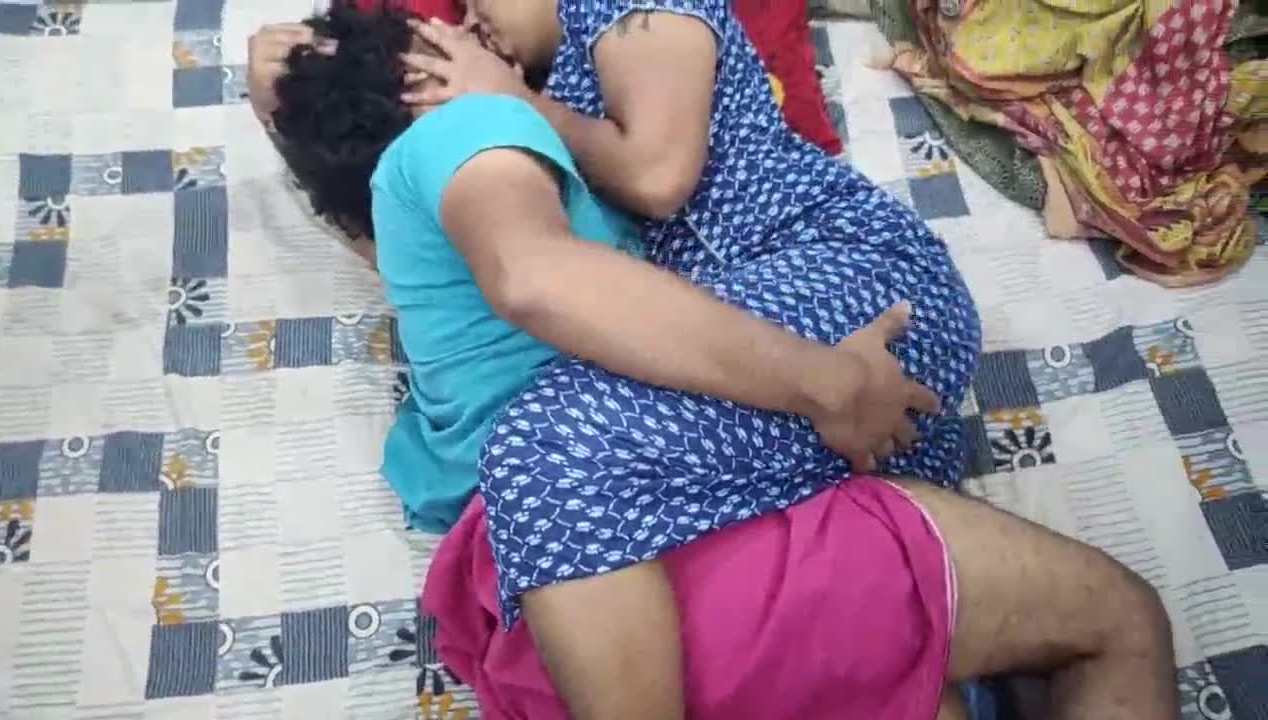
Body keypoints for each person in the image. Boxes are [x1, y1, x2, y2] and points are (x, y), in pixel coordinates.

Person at [251, 4, 1178, 719]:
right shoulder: (482, 143)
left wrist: (510, 99)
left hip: (842, 275)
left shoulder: (614, 20)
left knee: (553, 436)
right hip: (767, 377)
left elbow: (658, 177)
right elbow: (400, 225)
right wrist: (291, 94)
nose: (472, 20)